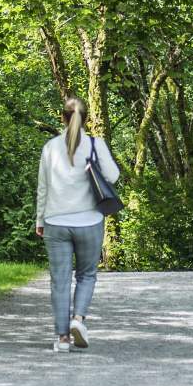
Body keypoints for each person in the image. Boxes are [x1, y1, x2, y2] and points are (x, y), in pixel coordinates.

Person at [36, 96, 118, 352]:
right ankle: (77, 320)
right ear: (87, 118)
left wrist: (40, 220)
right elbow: (113, 176)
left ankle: (62, 338)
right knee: (86, 275)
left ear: (63, 117)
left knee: (59, 280)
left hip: (56, 222)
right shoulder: (95, 144)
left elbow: (43, 188)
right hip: (90, 221)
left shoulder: (50, 147)